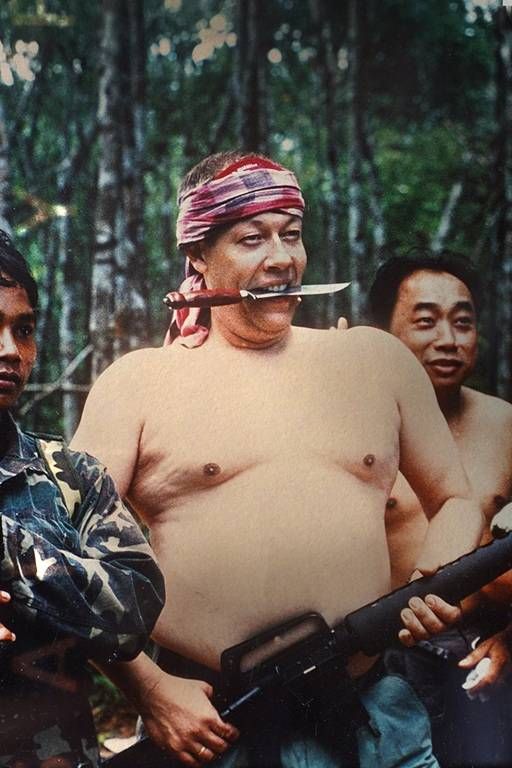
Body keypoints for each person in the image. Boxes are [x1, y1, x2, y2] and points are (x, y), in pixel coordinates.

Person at [72, 152, 483, 768]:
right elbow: (65, 552)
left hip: (376, 714)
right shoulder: (139, 383)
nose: (281, 258)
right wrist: (149, 689)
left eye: (291, 234)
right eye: (252, 239)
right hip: (213, 722)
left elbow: (455, 497)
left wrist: (436, 576)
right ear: (198, 256)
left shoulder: (375, 362)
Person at [0, 229, 165, 768]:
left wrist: (11, 552)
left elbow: (136, 606)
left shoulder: (68, 475)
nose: (10, 351)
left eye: (23, 330)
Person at [368, 251, 512, 766]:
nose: (448, 340)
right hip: (377, 660)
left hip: (478, 658)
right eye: (426, 321)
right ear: (382, 333)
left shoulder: (504, 425)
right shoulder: (353, 427)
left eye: (463, 322)